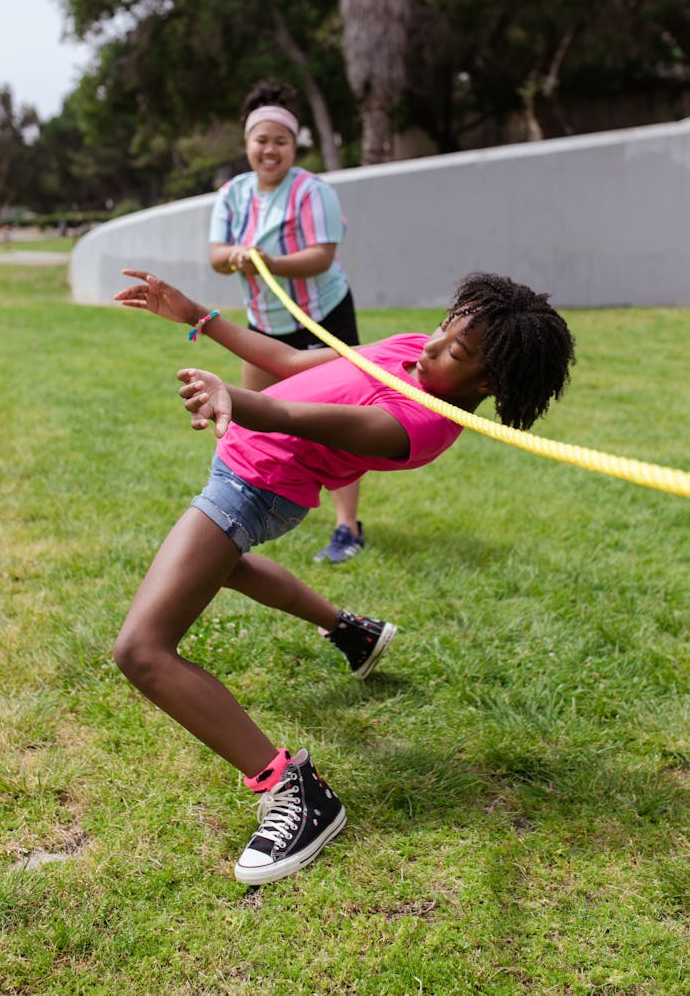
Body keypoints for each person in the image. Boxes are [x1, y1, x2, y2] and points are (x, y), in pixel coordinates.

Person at [112, 267, 575, 885]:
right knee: (223, 569)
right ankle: (350, 630)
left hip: (256, 491)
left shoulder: (422, 425)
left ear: (489, 381)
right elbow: (294, 361)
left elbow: (293, 416)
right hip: (244, 469)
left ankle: (297, 794)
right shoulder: (415, 352)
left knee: (141, 651)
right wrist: (196, 312)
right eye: (444, 328)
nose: (429, 346)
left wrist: (233, 397)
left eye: (454, 352)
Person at [209, 80, 365, 564]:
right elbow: (215, 254)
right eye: (262, 140)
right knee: (251, 418)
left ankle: (348, 528)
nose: (270, 149)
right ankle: (235, 512)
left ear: (293, 146)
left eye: (281, 141)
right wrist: (235, 256)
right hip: (264, 321)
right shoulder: (233, 193)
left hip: (321, 320)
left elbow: (322, 256)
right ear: (247, 143)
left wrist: (269, 264)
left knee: (340, 425)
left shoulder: (313, 191)